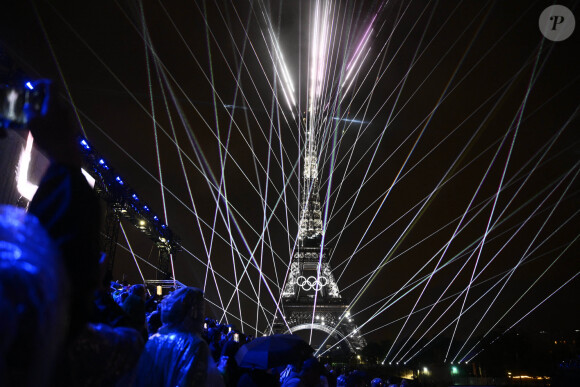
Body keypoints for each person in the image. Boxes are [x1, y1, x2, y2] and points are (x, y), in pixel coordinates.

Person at [134, 286, 224, 387]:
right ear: (193, 312)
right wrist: (221, 372)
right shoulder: (195, 345)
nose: (201, 317)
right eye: (200, 311)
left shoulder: (153, 340)